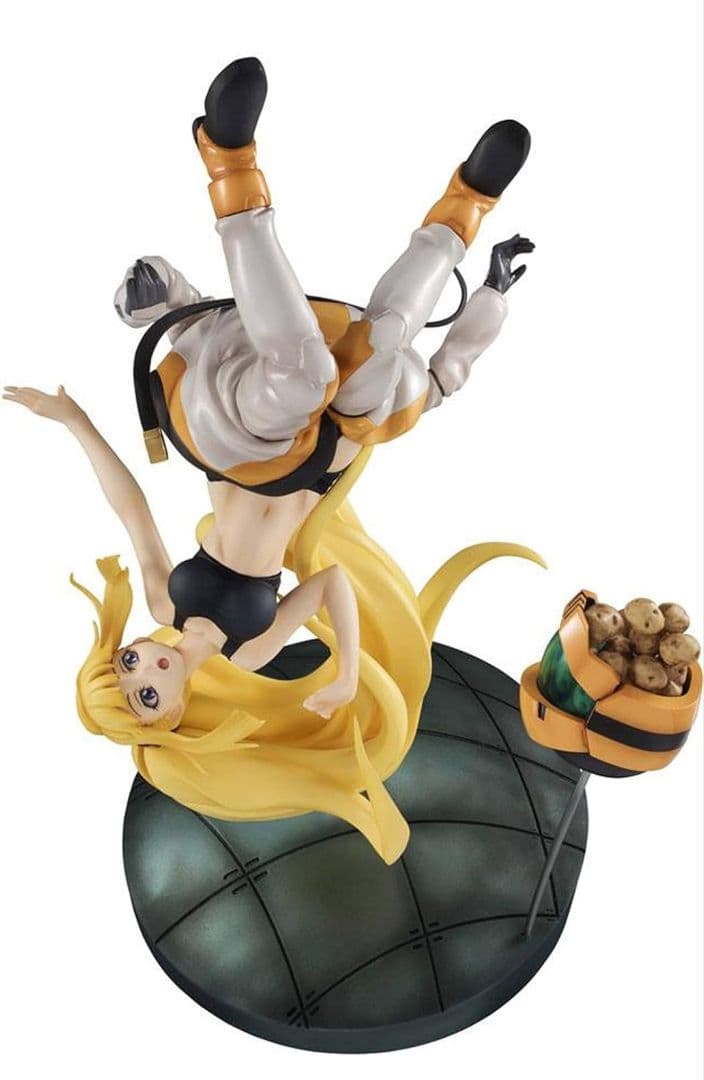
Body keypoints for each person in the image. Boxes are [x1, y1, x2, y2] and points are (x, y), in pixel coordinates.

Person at [2, 57, 538, 863]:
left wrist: (74, 420)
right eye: (143, 693)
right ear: (171, 714)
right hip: (322, 463)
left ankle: (229, 166)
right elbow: (330, 585)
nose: (144, 665)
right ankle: (468, 204)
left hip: (241, 452)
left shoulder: (164, 599)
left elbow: (131, 508)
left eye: (125, 663)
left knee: (303, 374)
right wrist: (347, 670)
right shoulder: (253, 652)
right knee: (388, 352)